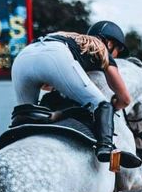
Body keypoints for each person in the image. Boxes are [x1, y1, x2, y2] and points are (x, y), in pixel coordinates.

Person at [11, 20, 133, 163]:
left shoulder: (71, 39)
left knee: (25, 113)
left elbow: (47, 85)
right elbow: (125, 99)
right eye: (118, 50)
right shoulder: (101, 48)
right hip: (55, 54)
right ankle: (106, 148)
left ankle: (12, 143)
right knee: (102, 104)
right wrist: (114, 106)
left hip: (23, 57)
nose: (116, 56)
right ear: (110, 43)